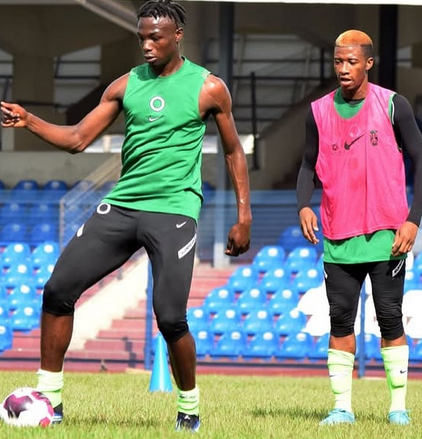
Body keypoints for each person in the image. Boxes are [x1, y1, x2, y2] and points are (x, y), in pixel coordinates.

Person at [0, 0, 252, 432]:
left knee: (170, 317)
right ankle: (49, 401)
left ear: (177, 36)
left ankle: (188, 409)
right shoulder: (126, 84)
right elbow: (78, 139)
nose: (147, 45)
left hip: (174, 210)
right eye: (142, 38)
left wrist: (243, 216)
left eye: (156, 37)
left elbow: (233, 151)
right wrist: (29, 120)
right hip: (122, 205)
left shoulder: (208, 88)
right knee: (57, 290)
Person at [296, 29, 422, 426]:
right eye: (338, 61)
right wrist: (303, 205)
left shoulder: (393, 105)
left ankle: (398, 409)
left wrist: (413, 220)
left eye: (352, 61)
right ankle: (341, 409)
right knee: (340, 320)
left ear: (368, 63)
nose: (344, 68)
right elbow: (307, 165)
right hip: (338, 236)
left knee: (390, 318)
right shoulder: (318, 111)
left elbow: (421, 159)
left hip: (388, 236)